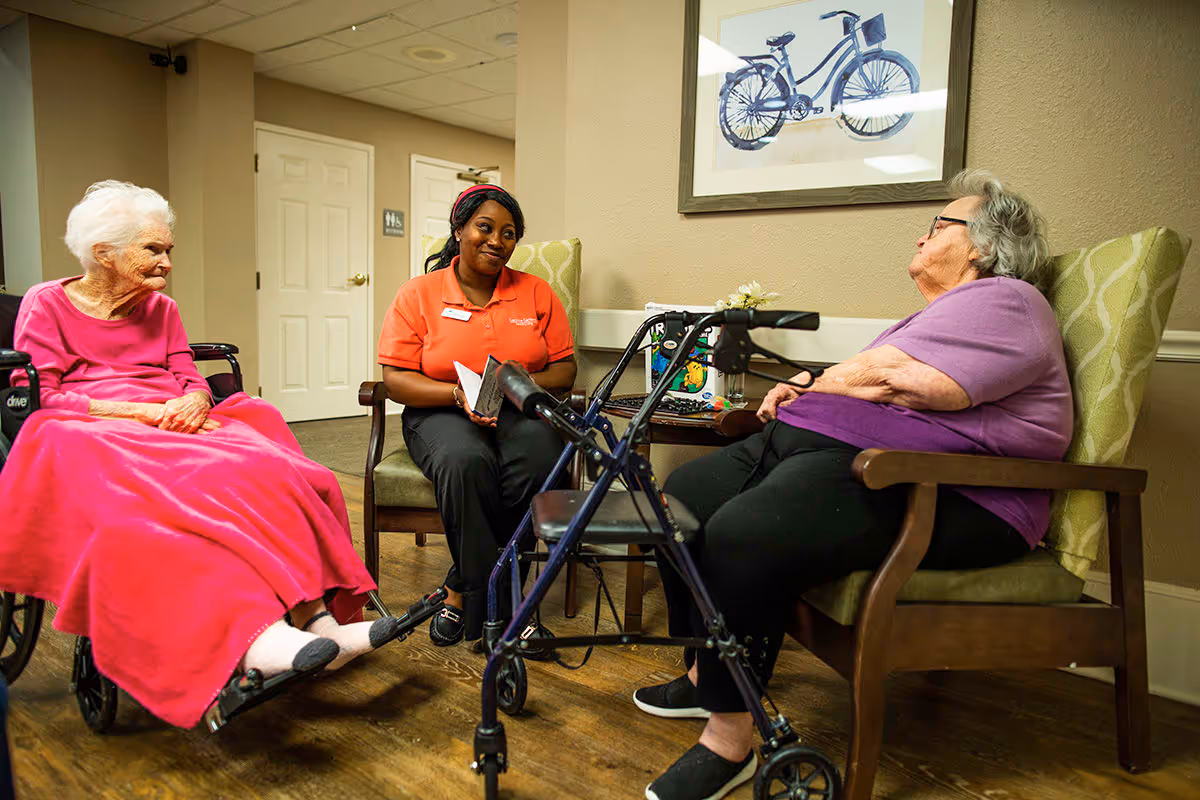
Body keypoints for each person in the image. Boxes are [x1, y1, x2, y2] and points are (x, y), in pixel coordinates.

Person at [634, 170, 1073, 800]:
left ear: (979, 244)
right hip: (845, 451)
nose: (923, 236)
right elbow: (873, 376)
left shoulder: (1009, 300)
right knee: (679, 499)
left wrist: (818, 385)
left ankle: (730, 743)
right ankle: (708, 675)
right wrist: (814, 387)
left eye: (938, 225)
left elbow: (911, 383)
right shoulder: (943, 313)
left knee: (743, 535)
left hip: (938, 485)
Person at [0, 181, 400, 729]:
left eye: (169, 251)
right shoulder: (48, 303)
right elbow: (45, 392)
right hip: (89, 425)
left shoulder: (162, 308)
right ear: (104, 254)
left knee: (269, 468)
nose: (166, 262)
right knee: (176, 509)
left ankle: (317, 619)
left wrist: (190, 397)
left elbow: (187, 374)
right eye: (153, 250)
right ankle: (253, 638)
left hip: (172, 417)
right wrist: (140, 413)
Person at [378, 184, 577, 647]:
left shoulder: (536, 292)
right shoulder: (418, 294)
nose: (496, 241)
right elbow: (395, 381)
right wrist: (455, 395)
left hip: (519, 408)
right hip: (440, 410)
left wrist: (513, 383)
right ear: (460, 229)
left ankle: (459, 592)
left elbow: (565, 370)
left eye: (508, 234)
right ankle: (509, 613)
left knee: (541, 462)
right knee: (466, 463)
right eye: (484, 227)